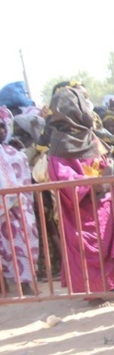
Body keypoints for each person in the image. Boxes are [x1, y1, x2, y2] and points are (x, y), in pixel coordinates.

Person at [44, 85, 114, 295]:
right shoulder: (59, 145)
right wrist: (95, 183)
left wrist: (109, 171)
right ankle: (94, 291)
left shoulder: (90, 135)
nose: (88, 107)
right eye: (82, 104)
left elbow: (103, 160)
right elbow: (64, 179)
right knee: (87, 249)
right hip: (83, 209)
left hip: (106, 204)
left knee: (108, 245)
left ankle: (110, 284)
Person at [0, 105, 39, 296]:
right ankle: (4, 287)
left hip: (17, 210)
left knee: (21, 246)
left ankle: (25, 284)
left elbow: (24, 179)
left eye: (1, 126)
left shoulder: (16, 153)